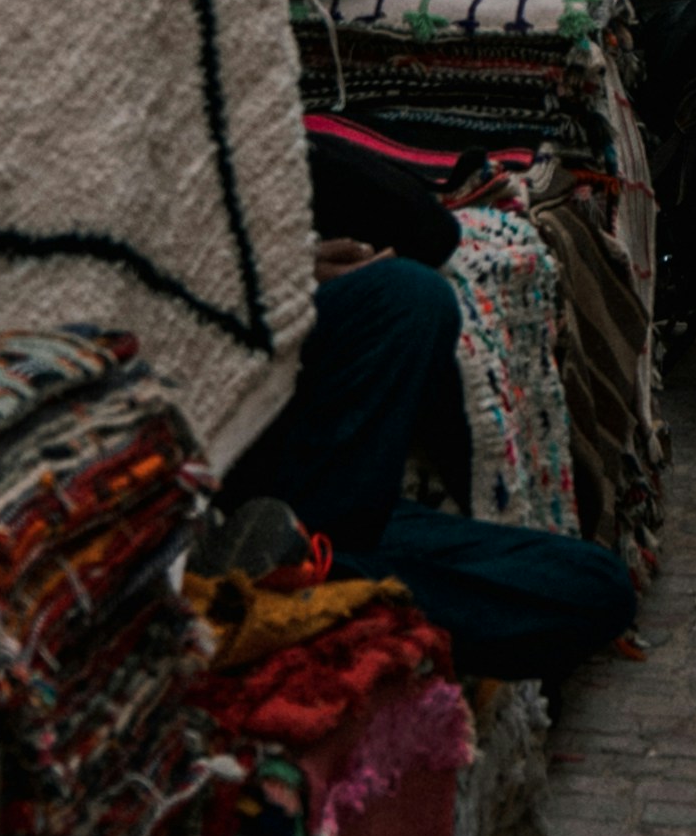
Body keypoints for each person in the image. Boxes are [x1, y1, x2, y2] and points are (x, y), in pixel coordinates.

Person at [226, 239, 638, 680]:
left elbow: (422, 221)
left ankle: (308, 575)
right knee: (410, 290)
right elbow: (423, 222)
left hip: (316, 510)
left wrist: (289, 266)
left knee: (599, 586)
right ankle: (301, 583)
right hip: (245, 480)